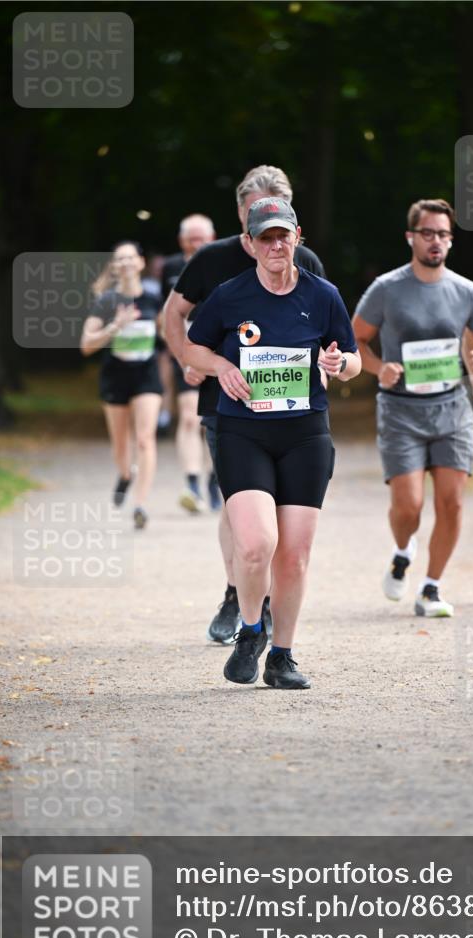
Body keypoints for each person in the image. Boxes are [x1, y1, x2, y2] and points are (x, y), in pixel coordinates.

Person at [182, 197, 360, 689]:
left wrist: (338, 365)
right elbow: (193, 345)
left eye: (283, 235)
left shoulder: (323, 295)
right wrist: (221, 367)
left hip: (305, 433)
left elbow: (353, 358)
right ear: (251, 244)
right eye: (266, 237)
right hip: (244, 431)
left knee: (295, 555)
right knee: (257, 545)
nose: (276, 245)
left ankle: (282, 656)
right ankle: (251, 630)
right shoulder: (229, 295)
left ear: (297, 237)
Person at [164, 165, 326, 645]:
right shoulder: (213, 260)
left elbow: (325, 329)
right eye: (256, 206)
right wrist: (191, 362)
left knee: (283, 509)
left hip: (292, 410)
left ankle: (267, 603)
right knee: (243, 503)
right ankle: (237, 592)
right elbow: (175, 315)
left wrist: (328, 364)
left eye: (278, 205)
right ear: (241, 213)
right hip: (227, 404)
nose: (267, 219)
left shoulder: (308, 262)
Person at [352, 198, 473, 617]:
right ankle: (403, 549)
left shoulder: (465, 291)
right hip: (401, 411)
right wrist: (380, 369)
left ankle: (431, 588)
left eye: (443, 234)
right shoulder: (386, 288)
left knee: (452, 502)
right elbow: (354, 341)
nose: (436, 241)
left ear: (450, 241)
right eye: (428, 233)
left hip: (452, 409)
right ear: (411, 237)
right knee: (409, 507)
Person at [81, 242, 163, 529]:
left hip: (147, 377)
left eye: (131, 257)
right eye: (120, 259)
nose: (126, 262)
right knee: (120, 445)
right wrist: (115, 326)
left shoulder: (154, 298)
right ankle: (126, 476)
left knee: (144, 438)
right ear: (115, 266)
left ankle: (140, 504)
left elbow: (169, 331)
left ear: (141, 262)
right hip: (116, 377)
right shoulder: (106, 302)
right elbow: (86, 345)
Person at [161, 214, 220, 514]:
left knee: (214, 419)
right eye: (190, 238)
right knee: (188, 417)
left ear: (211, 238)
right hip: (184, 352)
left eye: (201, 238)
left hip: (219, 352)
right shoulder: (171, 268)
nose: (196, 244)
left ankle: (214, 479)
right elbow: (166, 315)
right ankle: (192, 482)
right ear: (181, 241)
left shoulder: (221, 261)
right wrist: (178, 356)